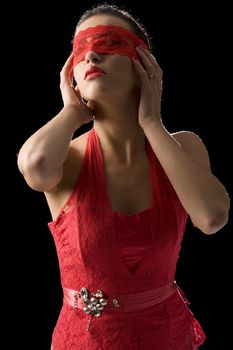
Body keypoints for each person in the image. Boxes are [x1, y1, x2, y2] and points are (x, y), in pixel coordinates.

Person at [17, 3, 230, 350]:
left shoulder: (185, 148)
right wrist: (71, 111)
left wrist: (152, 123)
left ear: (144, 65)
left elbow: (211, 217)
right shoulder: (67, 159)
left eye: (108, 43)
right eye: (81, 50)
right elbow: (35, 166)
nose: (92, 56)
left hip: (167, 338)